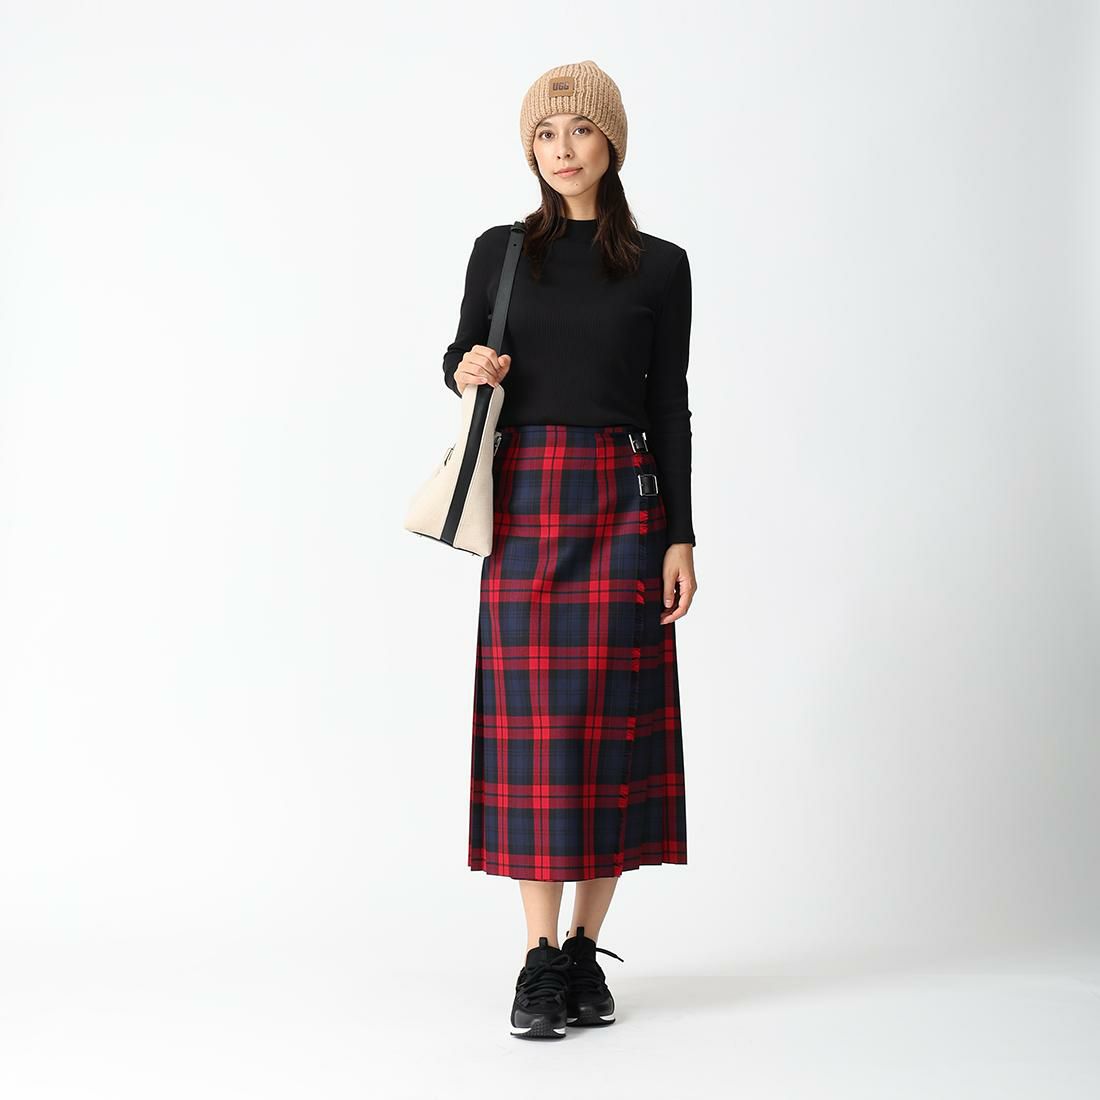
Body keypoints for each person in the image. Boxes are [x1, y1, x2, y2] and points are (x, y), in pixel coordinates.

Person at [441, 60, 699, 1040]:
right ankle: (538, 956)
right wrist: (467, 366)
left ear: (609, 142)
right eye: (545, 134)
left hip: (625, 505)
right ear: (530, 148)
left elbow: (668, 406)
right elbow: (459, 355)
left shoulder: (661, 266)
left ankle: (585, 951)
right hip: (525, 502)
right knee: (537, 732)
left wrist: (680, 533)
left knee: (610, 727)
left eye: (579, 131)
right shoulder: (501, 252)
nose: (562, 150)